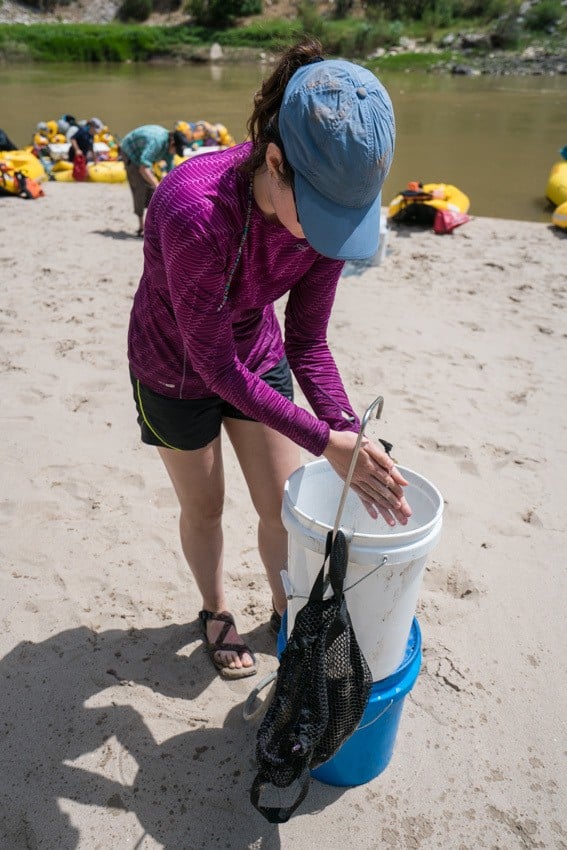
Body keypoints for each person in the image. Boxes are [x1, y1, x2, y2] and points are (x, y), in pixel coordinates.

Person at [127, 38, 412, 680]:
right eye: (320, 216)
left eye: (347, 218)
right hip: (175, 365)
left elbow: (308, 341)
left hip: (251, 349)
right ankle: (216, 609)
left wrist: (347, 430)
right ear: (275, 162)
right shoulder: (194, 211)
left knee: (281, 505)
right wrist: (321, 438)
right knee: (205, 507)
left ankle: (287, 615)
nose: (327, 235)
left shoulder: (329, 212)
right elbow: (211, 367)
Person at [119, 125, 187, 237]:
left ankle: (154, 227)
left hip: (144, 154)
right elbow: (143, 167)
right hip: (131, 151)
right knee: (140, 188)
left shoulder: (169, 146)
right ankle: (141, 228)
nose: (175, 153)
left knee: (154, 192)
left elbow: (170, 171)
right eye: (176, 150)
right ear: (172, 143)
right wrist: (157, 185)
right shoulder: (157, 142)